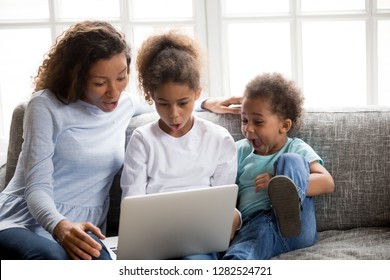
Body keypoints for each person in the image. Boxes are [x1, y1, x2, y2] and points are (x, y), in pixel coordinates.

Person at [0, 20, 241, 260]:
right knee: (50, 256)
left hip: (86, 227)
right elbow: (37, 187)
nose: (113, 92)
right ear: (77, 77)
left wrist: (207, 103)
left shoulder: (122, 104)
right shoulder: (45, 105)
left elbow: (165, 98)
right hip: (24, 221)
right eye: (100, 83)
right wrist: (60, 227)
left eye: (121, 78)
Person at [120, 30, 242, 260]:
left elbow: (221, 207)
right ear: (150, 97)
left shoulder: (220, 140)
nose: (174, 115)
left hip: (199, 244)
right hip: (151, 241)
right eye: (163, 103)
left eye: (183, 103)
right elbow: (133, 205)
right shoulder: (143, 139)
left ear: (197, 94)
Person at [222, 72, 335, 260]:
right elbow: (226, 190)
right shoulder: (239, 151)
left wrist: (278, 183)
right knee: (245, 248)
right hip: (254, 223)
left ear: (284, 125)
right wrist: (231, 215)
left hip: (297, 226)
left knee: (291, 161)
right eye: (244, 120)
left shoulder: (295, 147)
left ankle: (288, 204)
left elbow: (327, 182)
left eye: (258, 122)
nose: (248, 128)